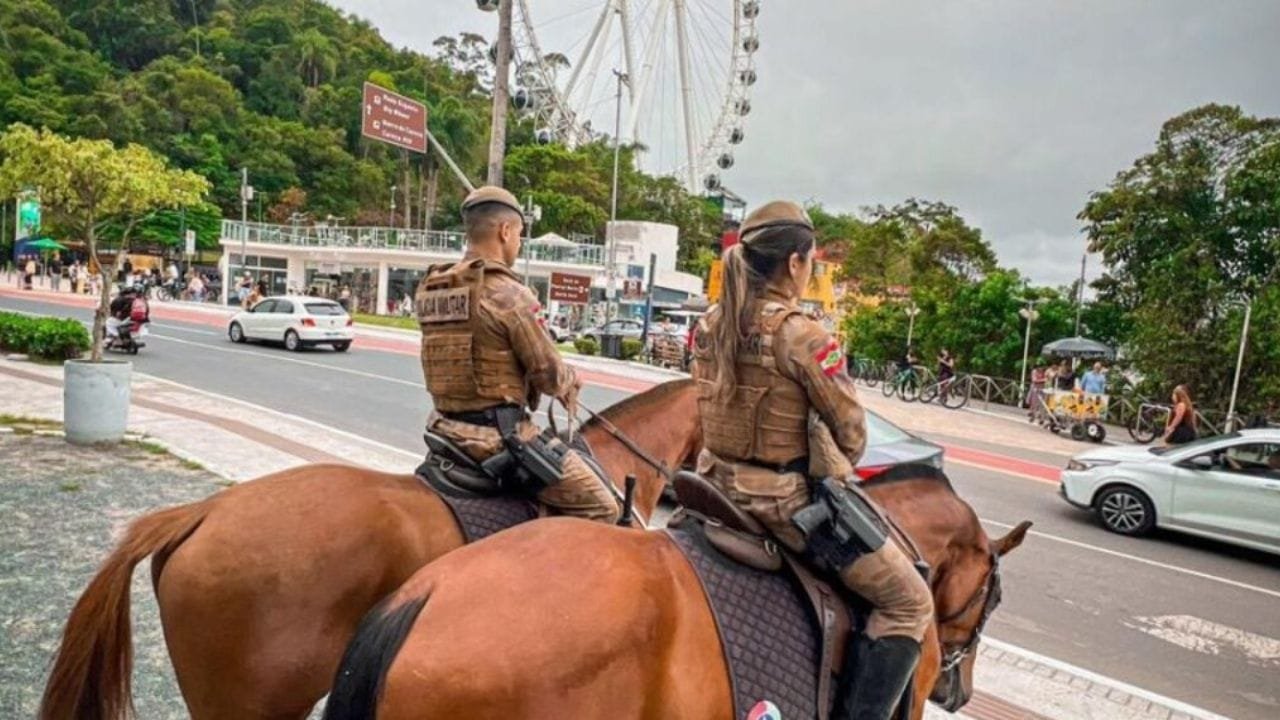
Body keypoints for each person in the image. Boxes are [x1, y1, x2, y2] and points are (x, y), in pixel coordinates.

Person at [691, 201, 931, 720]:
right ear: (796, 265)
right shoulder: (804, 335)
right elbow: (853, 435)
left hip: (711, 488)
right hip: (780, 507)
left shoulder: (711, 323)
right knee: (909, 603)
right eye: (811, 264)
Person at [417, 185, 619, 523]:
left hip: (443, 428)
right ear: (505, 231)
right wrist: (570, 381)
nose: (519, 243)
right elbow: (549, 375)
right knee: (603, 506)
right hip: (496, 440)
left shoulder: (432, 287)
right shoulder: (511, 295)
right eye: (520, 235)